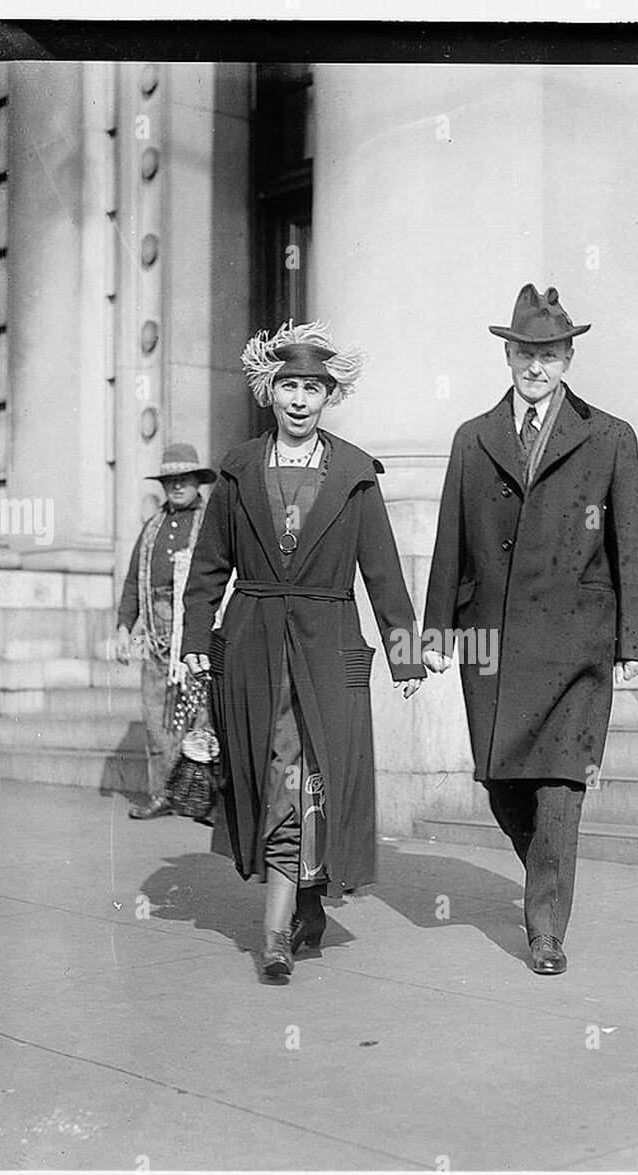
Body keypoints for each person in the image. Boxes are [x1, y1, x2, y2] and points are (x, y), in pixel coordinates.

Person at [181, 321, 425, 980]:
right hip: (254, 645)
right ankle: (284, 919)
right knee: (278, 773)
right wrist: (194, 641)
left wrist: (406, 655)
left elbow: (382, 573)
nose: (298, 399)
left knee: (313, 774)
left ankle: (290, 915)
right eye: (287, 384)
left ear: (328, 395)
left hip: (327, 645)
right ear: (268, 390)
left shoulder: (352, 474)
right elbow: (208, 568)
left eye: (311, 388)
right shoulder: (237, 471)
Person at [422, 284, 638, 975]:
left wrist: (634, 643)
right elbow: (449, 540)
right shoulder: (473, 437)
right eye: (525, 351)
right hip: (490, 642)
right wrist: (434, 632)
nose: (536, 365)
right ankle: (544, 879)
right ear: (507, 354)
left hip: (575, 642)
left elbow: (630, 545)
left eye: (549, 353)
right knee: (499, 781)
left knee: (559, 784)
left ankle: (545, 925)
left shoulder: (610, 436)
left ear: (568, 356)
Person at [116, 443, 218, 819]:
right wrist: (125, 628)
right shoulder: (152, 529)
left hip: (196, 625)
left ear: (197, 484)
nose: (177, 486)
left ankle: (203, 799)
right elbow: (132, 582)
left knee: (202, 713)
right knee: (158, 712)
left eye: (184, 480)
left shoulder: (210, 523)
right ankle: (163, 793)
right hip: (157, 631)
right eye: (171, 480)